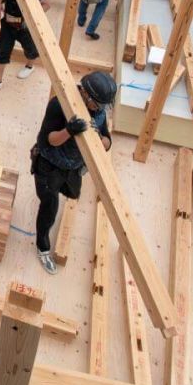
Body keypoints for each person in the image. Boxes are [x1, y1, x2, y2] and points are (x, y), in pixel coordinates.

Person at [31, 71, 117, 274]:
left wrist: (98, 137)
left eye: (103, 106)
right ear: (85, 94)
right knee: (49, 206)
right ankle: (42, 247)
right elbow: (49, 139)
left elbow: (107, 142)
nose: (100, 109)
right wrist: (69, 131)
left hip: (73, 167)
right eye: (98, 104)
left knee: (72, 193)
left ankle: (59, 194)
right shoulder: (59, 105)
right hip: (49, 165)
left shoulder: (98, 112)